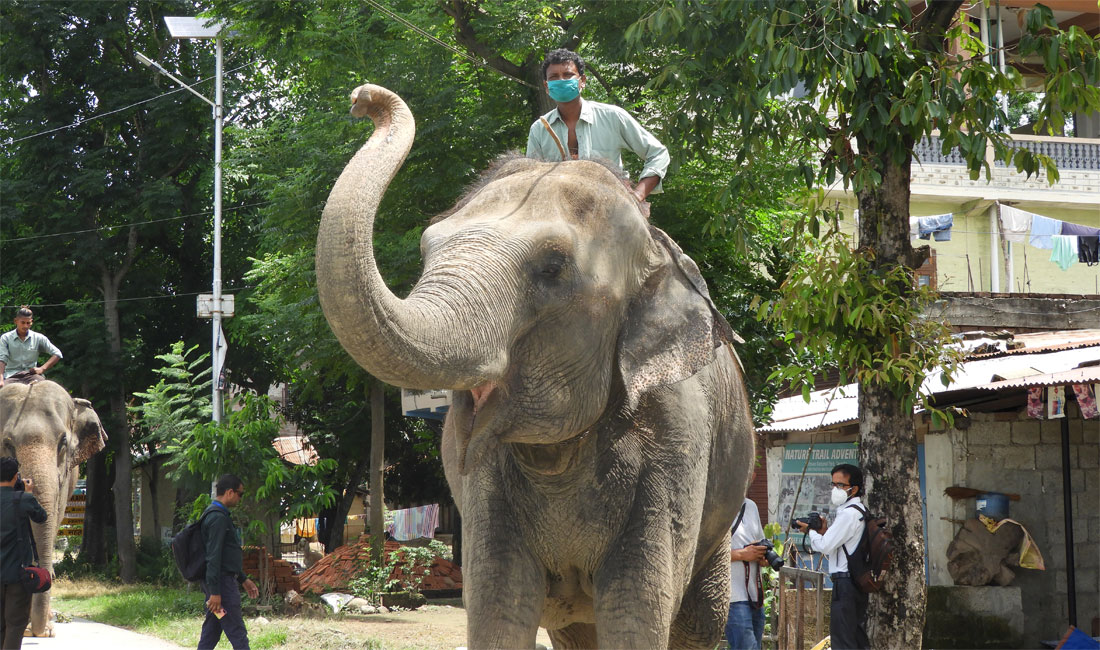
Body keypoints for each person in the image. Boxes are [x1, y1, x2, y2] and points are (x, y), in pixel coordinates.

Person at [525, 48, 670, 210]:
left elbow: (658, 153)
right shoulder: (539, 129)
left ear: (583, 81)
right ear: (546, 86)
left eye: (568, 75)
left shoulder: (613, 116)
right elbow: (530, 180)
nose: (561, 80)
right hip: (559, 215)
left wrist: (638, 196)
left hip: (613, 211)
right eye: (554, 77)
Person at [794, 463, 869, 650]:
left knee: (843, 641)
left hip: (845, 585)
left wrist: (812, 531)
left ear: (854, 489)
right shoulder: (857, 512)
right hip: (853, 584)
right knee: (854, 639)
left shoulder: (849, 515)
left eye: (841, 485)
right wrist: (824, 531)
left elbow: (825, 546)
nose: (836, 489)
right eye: (833, 484)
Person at [199, 474, 259, 650]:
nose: (240, 499)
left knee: (213, 628)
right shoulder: (217, 518)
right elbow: (213, 556)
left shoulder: (219, 515)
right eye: (240, 494)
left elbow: (225, 557)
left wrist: (243, 578)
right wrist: (215, 592)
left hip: (221, 582)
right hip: (222, 586)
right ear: (230, 492)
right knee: (236, 630)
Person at [0, 457, 48, 650]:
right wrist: (28, 493)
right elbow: (42, 517)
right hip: (17, 575)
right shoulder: (23, 500)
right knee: (16, 624)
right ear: (15, 476)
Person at [726, 496, 768, 650]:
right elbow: (704, 553)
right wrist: (742, 554)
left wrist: (763, 556)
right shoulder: (715, 504)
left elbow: (759, 541)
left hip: (754, 597)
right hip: (732, 597)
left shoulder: (751, 505)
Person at [0, 307, 62, 389]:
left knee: (48, 390)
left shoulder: (38, 338)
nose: (25, 326)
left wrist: (42, 369)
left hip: (32, 376)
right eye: (22, 322)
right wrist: (1, 379)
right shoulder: (6, 338)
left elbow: (57, 354)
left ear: (31, 322)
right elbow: (2, 360)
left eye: (28, 323)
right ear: (16, 321)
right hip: (11, 376)